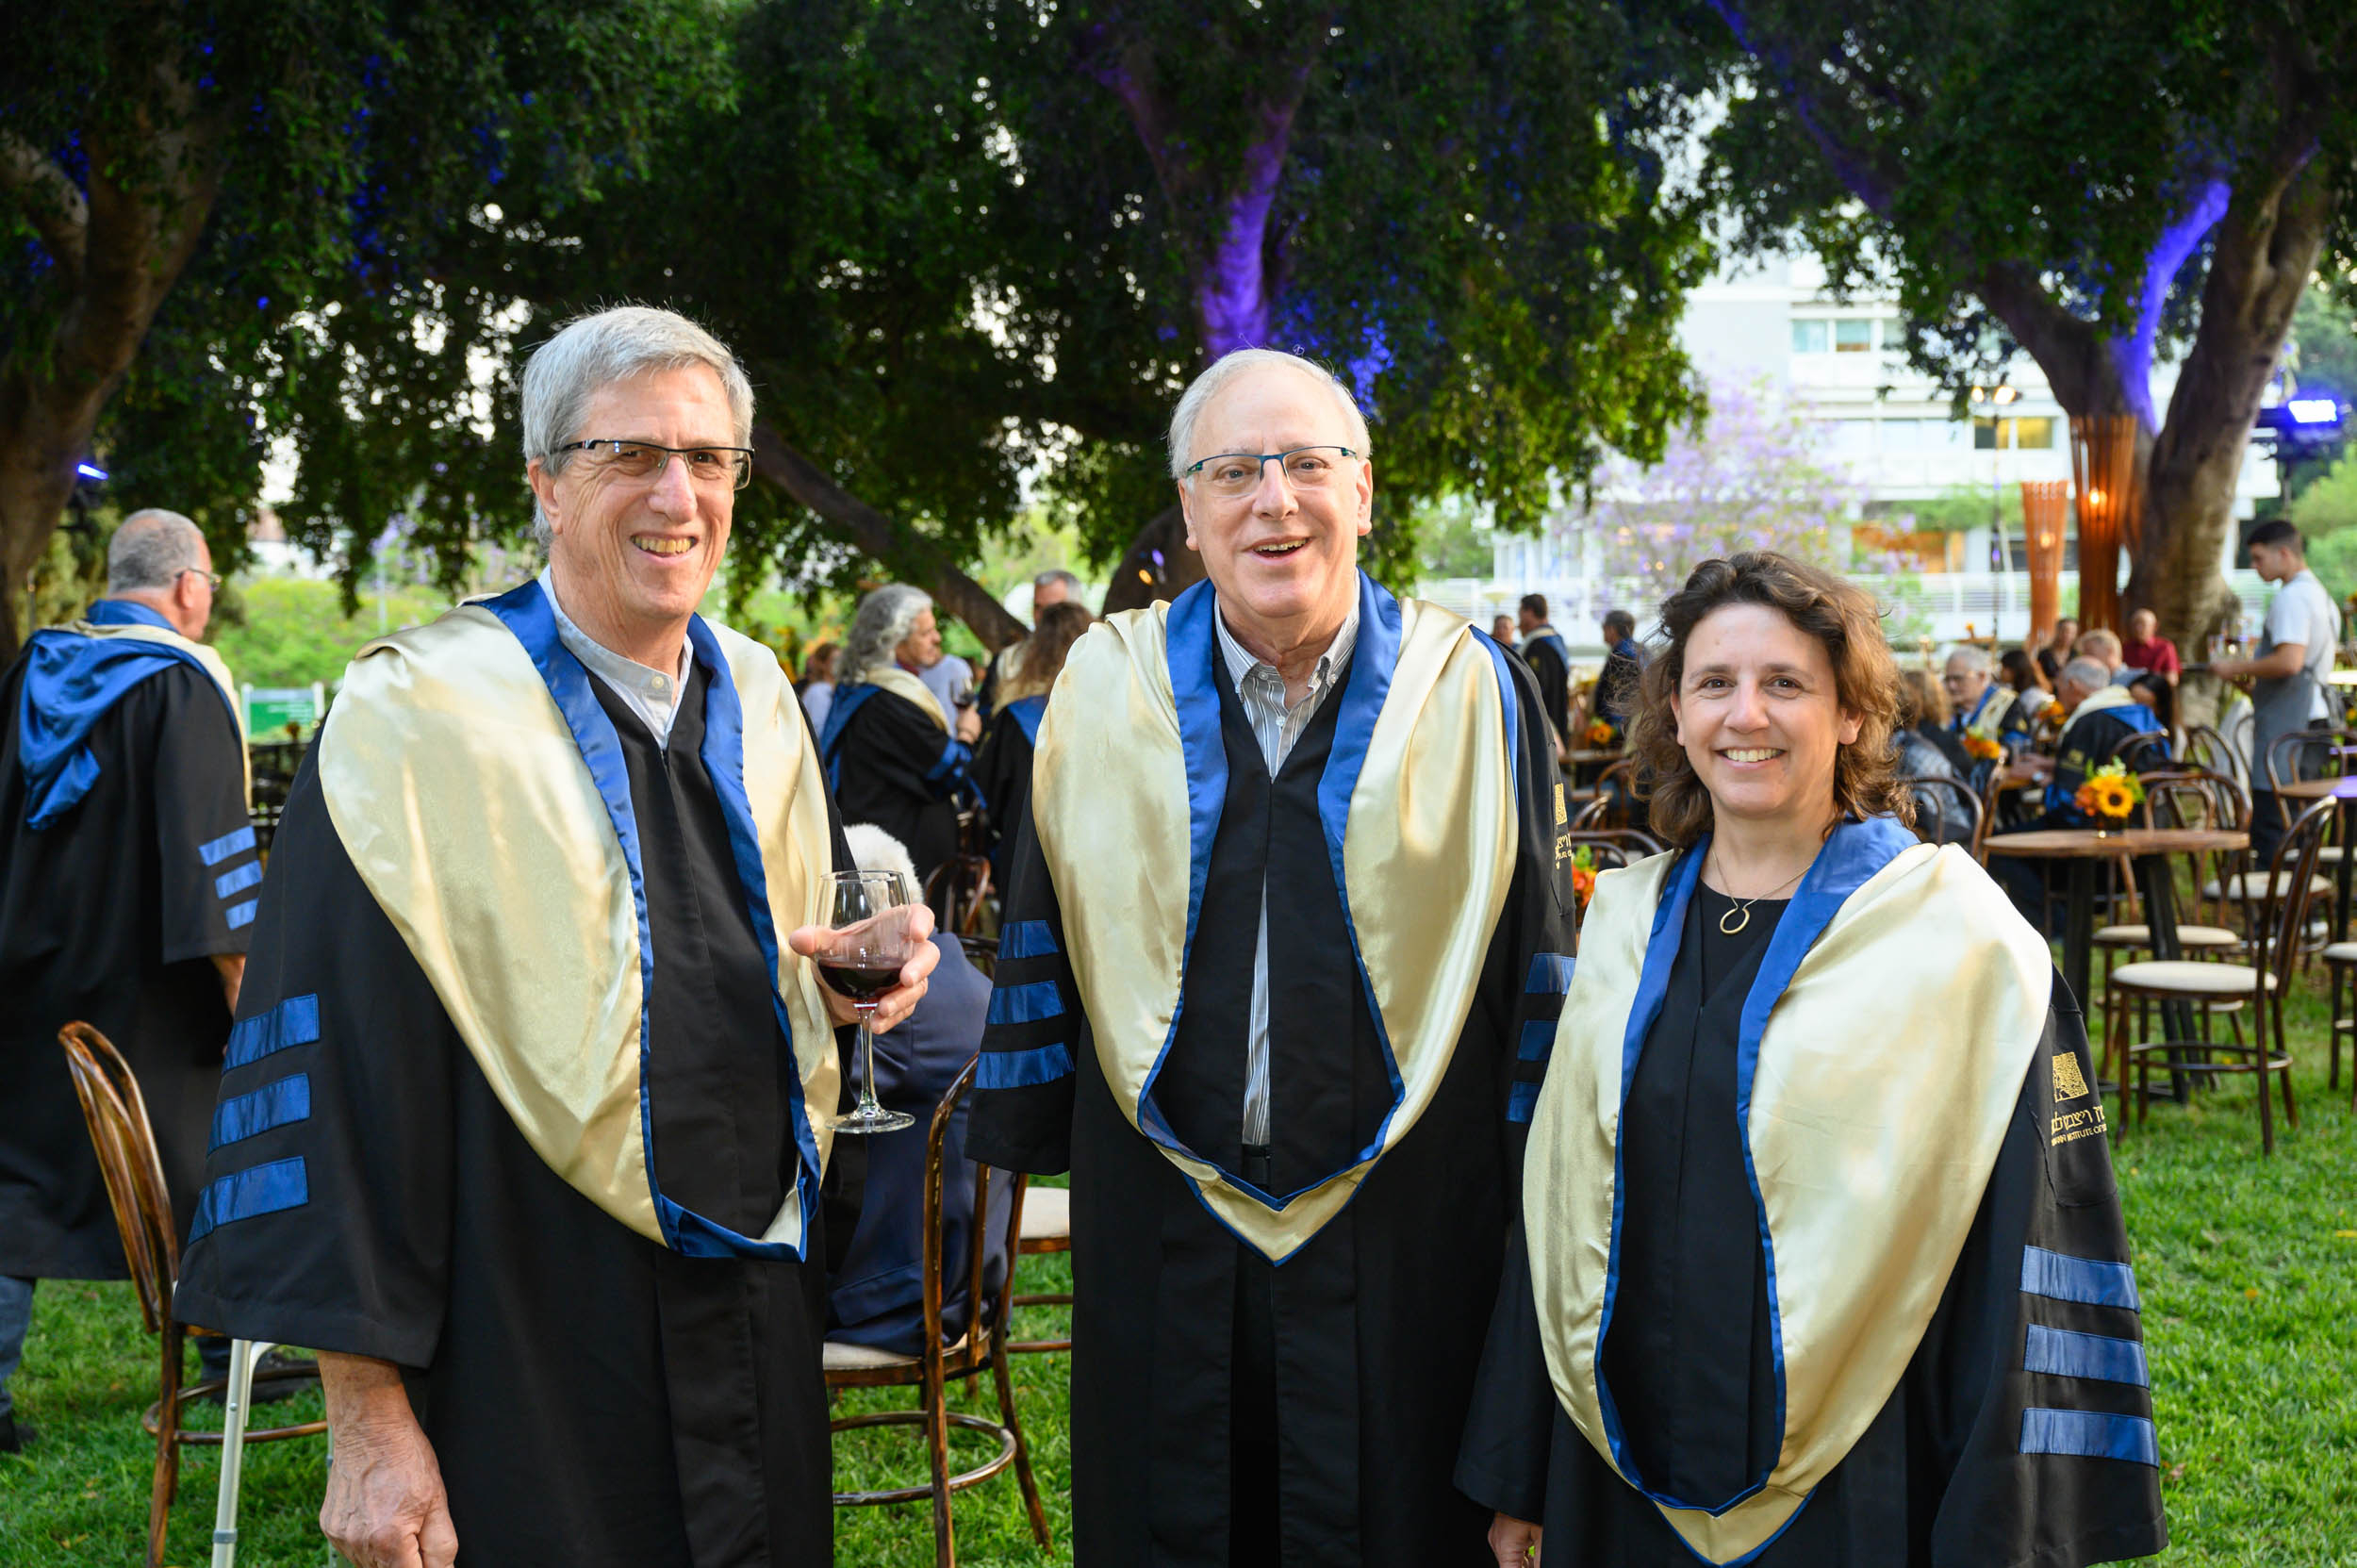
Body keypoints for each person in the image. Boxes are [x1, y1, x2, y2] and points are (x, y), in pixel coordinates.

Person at [170, 305, 940, 1567]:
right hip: (526, 1332)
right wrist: (366, 1414)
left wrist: (862, 991)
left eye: (708, 457)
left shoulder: (758, 699)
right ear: (545, 480)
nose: (677, 495)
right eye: (628, 453)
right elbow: (329, 1071)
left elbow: (774, 962)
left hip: (752, 1318)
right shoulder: (420, 715)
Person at [966, 348, 1575, 1568]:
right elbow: (1047, 922)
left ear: (1364, 490)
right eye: (1233, 471)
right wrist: (1024, 1112)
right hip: (1163, 1213)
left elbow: (1537, 979)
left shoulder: (1474, 695)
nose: (1273, 500)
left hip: (1409, 1228)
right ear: (1188, 511)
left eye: (1306, 463)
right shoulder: (1104, 694)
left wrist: (1546, 1197)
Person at [1459, 552, 2165, 1568]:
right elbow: (1560, 1214)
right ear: (1676, 715)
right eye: (1714, 682)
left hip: (1863, 1479)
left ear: (1849, 713)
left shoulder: (1958, 943)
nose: (1745, 714)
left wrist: (1995, 1530)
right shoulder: (1617, 929)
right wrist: (1521, 1469)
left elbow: (2020, 1255)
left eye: (1785, 682)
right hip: (1621, 1470)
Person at [0, 509, 251, 1453]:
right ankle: (225, 1352)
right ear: (187, 586)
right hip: (150, 997)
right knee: (206, 1153)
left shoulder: (32, 673)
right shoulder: (179, 687)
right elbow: (213, 859)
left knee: (15, 1180)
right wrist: (243, 985)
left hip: (27, 982)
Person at [825, 825, 1011, 1358]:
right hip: (973, 1271)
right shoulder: (970, 981)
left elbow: (802, 1107)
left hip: (904, 1299)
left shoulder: (896, 1013)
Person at [820, 585, 984, 887]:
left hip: (883, 843)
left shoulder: (860, 690)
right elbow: (950, 770)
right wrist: (967, 734)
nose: (936, 638)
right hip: (902, 859)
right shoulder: (887, 701)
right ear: (893, 640)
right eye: (926, 632)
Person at [2214, 520, 2341, 866]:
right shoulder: (2319, 594)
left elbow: (2289, 662)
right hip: (2312, 721)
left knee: (2277, 823)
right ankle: (2307, 896)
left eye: (2258, 558)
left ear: (2284, 553)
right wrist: (2249, 684)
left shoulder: (2293, 597)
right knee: (2302, 821)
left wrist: (2233, 667)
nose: (2255, 567)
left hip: (2291, 729)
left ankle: (2280, 898)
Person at [972, 601, 1093, 885]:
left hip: (1026, 851)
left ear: (1037, 650)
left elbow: (990, 789)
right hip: (1091, 848)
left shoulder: (1017, 715)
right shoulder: (1110, 711)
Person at [977, 569, 1085, 717]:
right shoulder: (1008, 660)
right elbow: (985, 715)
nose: (1042, 616)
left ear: (1075, 608)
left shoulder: (1094, 657)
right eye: (1037, 607)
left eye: (1052, 609)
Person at [1942, 644, 2030, 758]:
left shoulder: (2006, 704)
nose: (1951, 686)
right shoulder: (1943, 708)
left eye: (1958, 678)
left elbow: (2021, 742)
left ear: (1982, 676)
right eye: (1947, 679)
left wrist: (2001, 751)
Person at [1518, 594, 1572, 744]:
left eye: (1520, 613)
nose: (1519, 620)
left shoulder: (1539, 646)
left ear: (1529, 612)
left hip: (1544, 724)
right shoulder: (1555, 640)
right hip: (1558, 715)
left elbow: (1535, 689)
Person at [2120, 608, 2181, 727]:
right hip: (2129, 700)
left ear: (2155, 626)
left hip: (2156, 700)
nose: (2138, 628)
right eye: (2135, 624)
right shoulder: (2125, 648)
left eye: (2143, 624)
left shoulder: (2165, 647)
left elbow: (2172, 679)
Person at [1595, 608, 1643, 730]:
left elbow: (1618, 695)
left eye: (1604, 629)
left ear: (1611, 629)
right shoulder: (1640, 650)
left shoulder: (1621, 655)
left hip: (1621, 727)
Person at [798, 638, 839, 735]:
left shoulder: (829, 689)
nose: (840, 664)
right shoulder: (819, 691)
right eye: (835, 660)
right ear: (822, 664)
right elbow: (819, 730)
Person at [2036, 615, 2080, 684]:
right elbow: (2037, 676)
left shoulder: (2077, 655)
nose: (2068, 635)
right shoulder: (2044, 654)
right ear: (2057, 631)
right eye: (2064, 631)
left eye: (2072, 632)